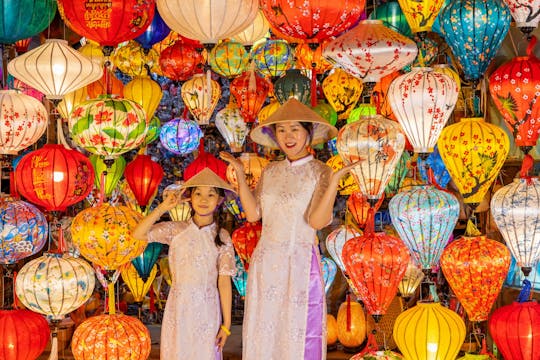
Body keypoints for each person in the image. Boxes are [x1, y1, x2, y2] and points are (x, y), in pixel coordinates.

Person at [221, 98, 354, 360]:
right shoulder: (270, 171)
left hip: (299, 260)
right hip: (265, 261)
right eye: (281, 130)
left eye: (295, 129)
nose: (288, 136)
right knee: (264, 331)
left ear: (308, 133)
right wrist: (238, 173)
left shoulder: (320, 171)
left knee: (296, 332)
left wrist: (335, 182)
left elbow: (317, 222)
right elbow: (253, 214)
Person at [132, 168, 236, 360]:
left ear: (219, 200)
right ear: (189, 197)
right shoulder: (176, 230)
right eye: (198, 194)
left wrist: (227, 325)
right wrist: (163, 207)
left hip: (208, 309)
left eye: (210, 194)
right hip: (179, 306)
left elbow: (224, 283)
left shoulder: (222, 236)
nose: (204, 200)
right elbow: (138, 234)